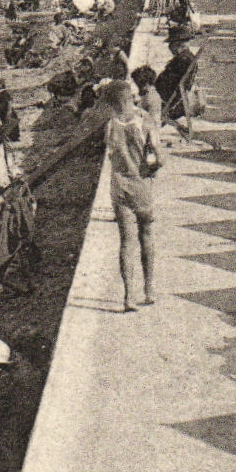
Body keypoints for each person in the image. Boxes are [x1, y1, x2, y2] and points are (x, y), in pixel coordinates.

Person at [101, 79, 162, 312]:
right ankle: (149, 290)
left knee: (126, 241)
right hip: (141, 186)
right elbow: (160, 158)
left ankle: (128, 297)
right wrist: (152, 168)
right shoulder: (145, 121)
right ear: (129, 98)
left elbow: (112, 153)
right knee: (146, 234)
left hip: (119, 188)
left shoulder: (111, 125)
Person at [131, 65, 164, 130]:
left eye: (138, 84)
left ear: (145, 84)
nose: (138, 87)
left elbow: (140, 113)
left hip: (149, 129)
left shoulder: (148, 97)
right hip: (153, 128)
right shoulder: (153, 93)